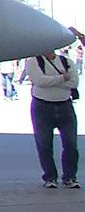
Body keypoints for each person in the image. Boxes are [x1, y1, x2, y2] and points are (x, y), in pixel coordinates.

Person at [24, 44, 80, 189]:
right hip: (42, 108)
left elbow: (74, 82)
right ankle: (50, 177)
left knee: (71, 144)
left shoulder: (66, 62)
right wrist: (62, 78)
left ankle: (70, 177)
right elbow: (39, 81)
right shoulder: (33, 62)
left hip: (65, 107)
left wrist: (53, 80)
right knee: (44, 144)